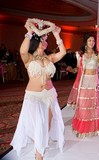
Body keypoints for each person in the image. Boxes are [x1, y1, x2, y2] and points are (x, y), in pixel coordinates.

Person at [10, 19, 66, 160]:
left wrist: (57, 35)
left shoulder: (50, 58)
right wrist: (29, 32)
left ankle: (41, 142)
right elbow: (22, 50)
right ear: (37, 42)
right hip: (34, 96)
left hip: (49, 95)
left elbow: (63, 52)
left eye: (44, 39)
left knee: (46, 123)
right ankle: (38, 153)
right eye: (41, 39)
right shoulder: (28, 58)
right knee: (37, 124)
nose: (44, 40)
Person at [67, 34, 99, 138]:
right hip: (83, 83)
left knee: (93, 106)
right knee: (83, 105)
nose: (92, 42)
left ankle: (93, 128)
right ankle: (82, 128)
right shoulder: (81, 55)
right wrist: (72, 70)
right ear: (86, 42)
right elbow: (78, 69)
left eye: (93, 41)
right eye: (89, 40)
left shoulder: (98, 55)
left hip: (94, 82)